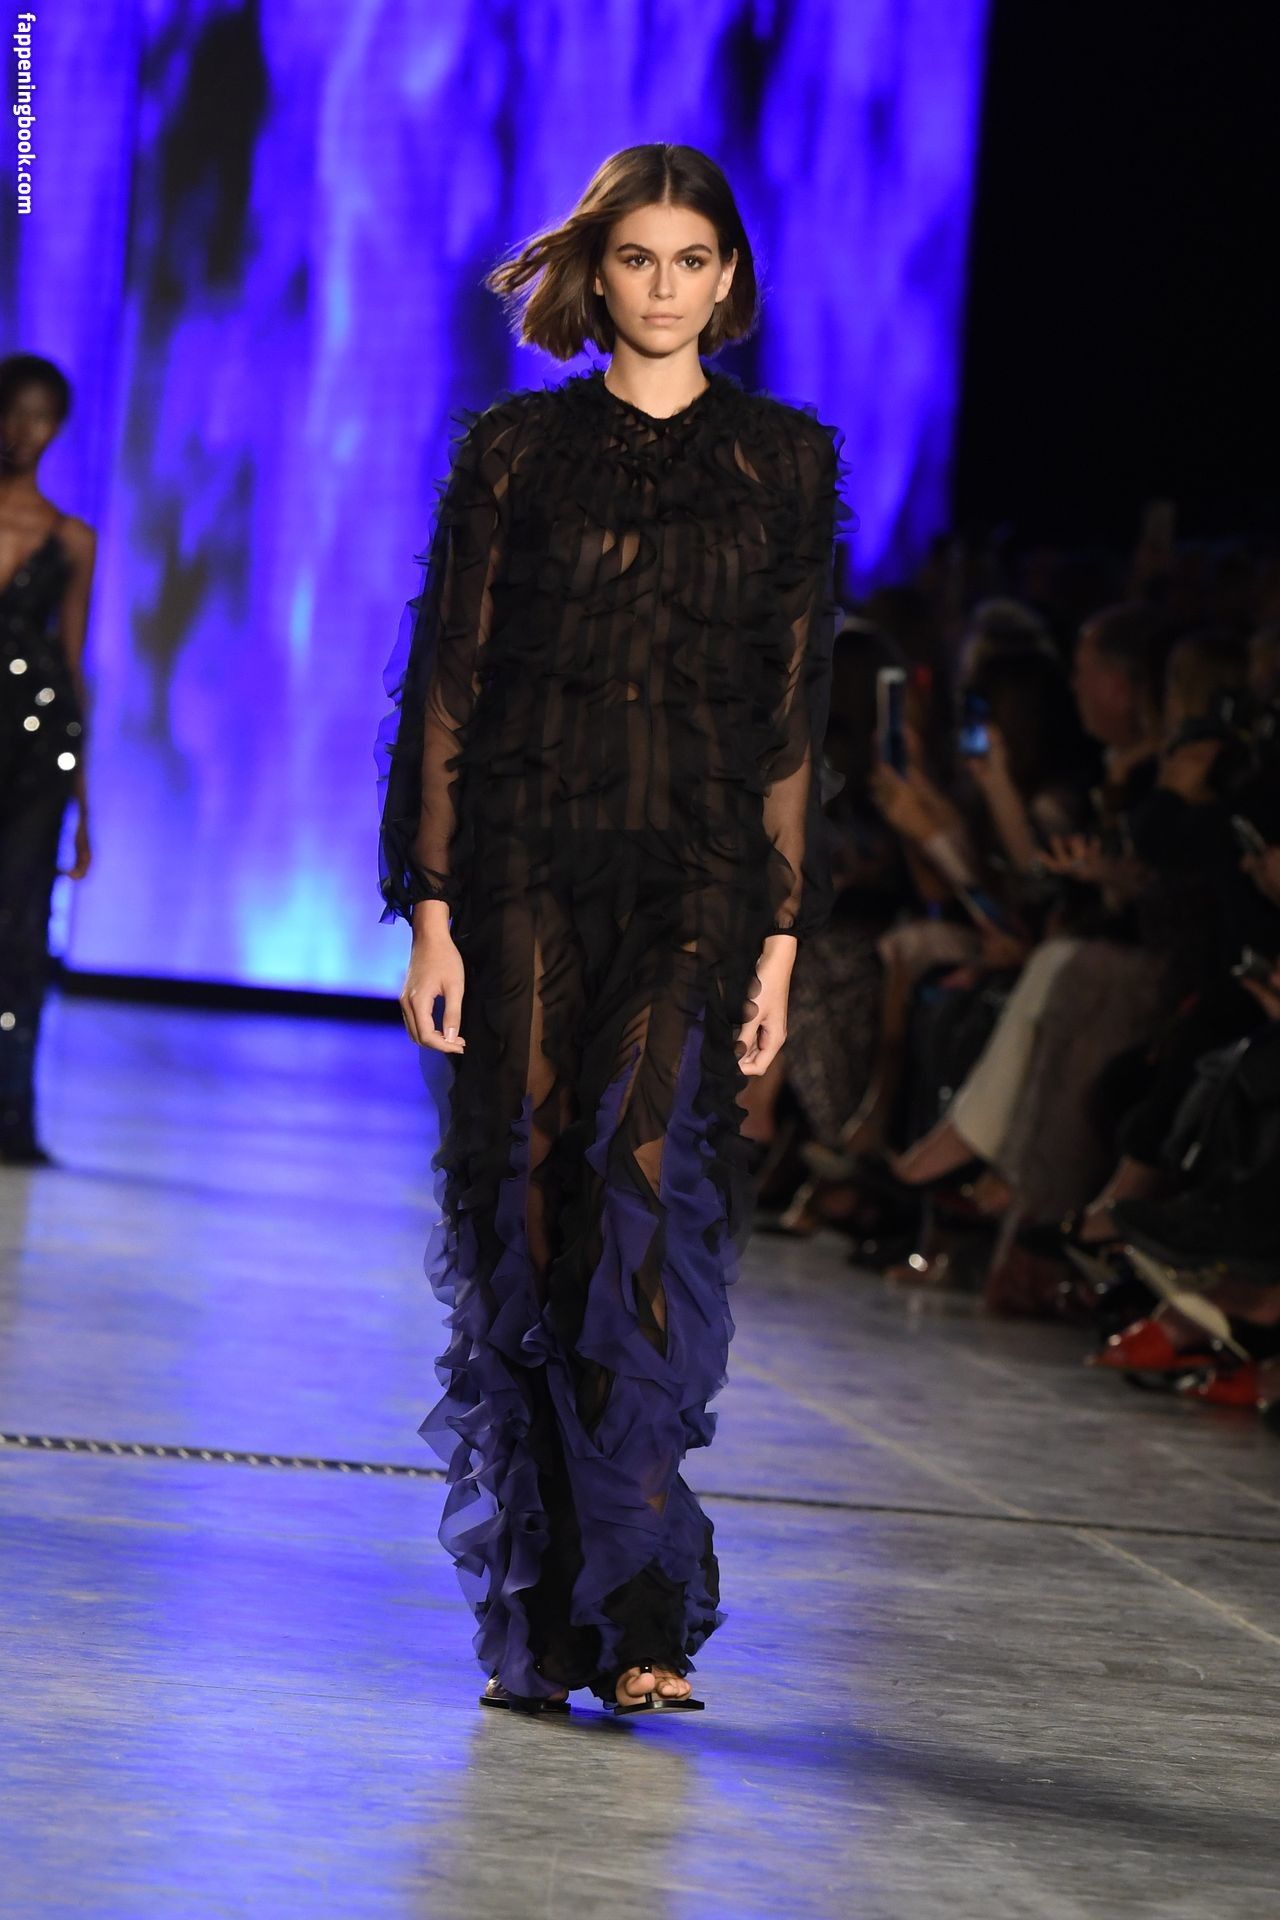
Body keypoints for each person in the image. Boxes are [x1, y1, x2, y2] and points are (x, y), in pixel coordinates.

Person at [375, 144, 850, 1717]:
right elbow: (450, 684)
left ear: (730, 278)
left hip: (696, 886)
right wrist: (431, 912)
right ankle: (545, 1619)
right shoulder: (516, 452)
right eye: (637, 257)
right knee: (529, 1213)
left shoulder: (783, 463)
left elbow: (792, 717)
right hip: (521, 872)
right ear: (599, 272)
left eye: (691, 258)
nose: (663, 286)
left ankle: (640, 1607)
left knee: (641, 1194)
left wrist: (782, 944)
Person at [0, 353, 95, 1165]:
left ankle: (11, 1118)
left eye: (41, 417)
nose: (24, 430)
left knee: (21, 924)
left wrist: (86, 805)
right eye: (13, 411)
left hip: (36, 752)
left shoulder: (72, 540)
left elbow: (72, 664)